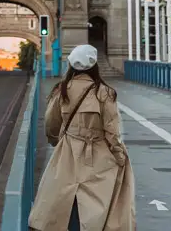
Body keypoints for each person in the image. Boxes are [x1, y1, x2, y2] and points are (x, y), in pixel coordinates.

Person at [28, 44, 135, 231]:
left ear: (71, 65)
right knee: (96, 202)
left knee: (65, 197)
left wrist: (56, 141)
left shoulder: (62, 89)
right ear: (94, 66)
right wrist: (119, 156)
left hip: (68, 150)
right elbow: (112, 130)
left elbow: (51, 123)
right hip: (99, 152)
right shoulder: (105, 92)